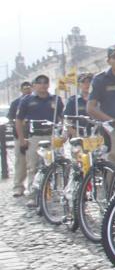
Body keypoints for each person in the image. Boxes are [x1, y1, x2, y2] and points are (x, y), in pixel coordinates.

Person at [15, 75, 64, 206]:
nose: (42, 85)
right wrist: (21, 139)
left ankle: (56, 192)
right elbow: (19, 120)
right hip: (35, 137)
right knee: (34, 167)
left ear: (48, 85)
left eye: (45, 82)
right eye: (39, 83)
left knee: (55, 165)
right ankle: (33, 195)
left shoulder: (56, 99)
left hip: (51, 135)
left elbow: (62, 117)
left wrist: (63, 134)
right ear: (34, 85)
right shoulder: (27, 100)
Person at [9, 81, 33, 197]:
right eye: (25, 88)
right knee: (20, 162)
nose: (27, 90)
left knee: (35, 163)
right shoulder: (15, 103)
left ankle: (35, 187)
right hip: (20, 135)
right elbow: (12, 118)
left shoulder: (35, 100)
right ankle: (18, 186)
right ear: (21, 90)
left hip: (34, 135)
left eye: (29, 88)